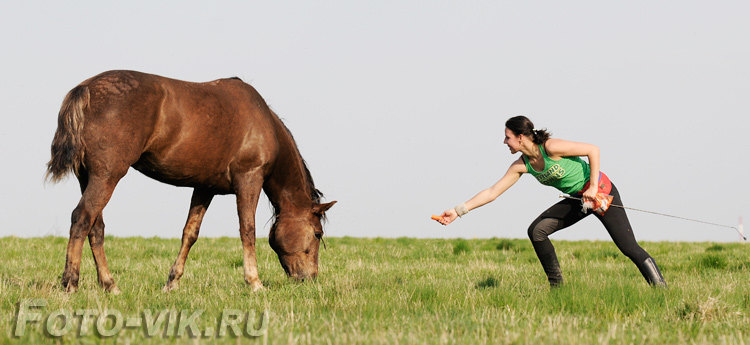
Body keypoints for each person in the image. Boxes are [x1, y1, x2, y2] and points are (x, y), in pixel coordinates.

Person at [435, 115, 666, 287]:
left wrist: (593, 186)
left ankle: (662, 292)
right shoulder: (522, 165)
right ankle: (558, 289)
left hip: (602, 193)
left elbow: (593, 150)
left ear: (521, 137)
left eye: (507, 137)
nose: (504, 142)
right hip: (578, 200)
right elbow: (493, 192)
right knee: (537, 231)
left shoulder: (551, 147)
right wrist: (458, 211)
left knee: (628, 247)